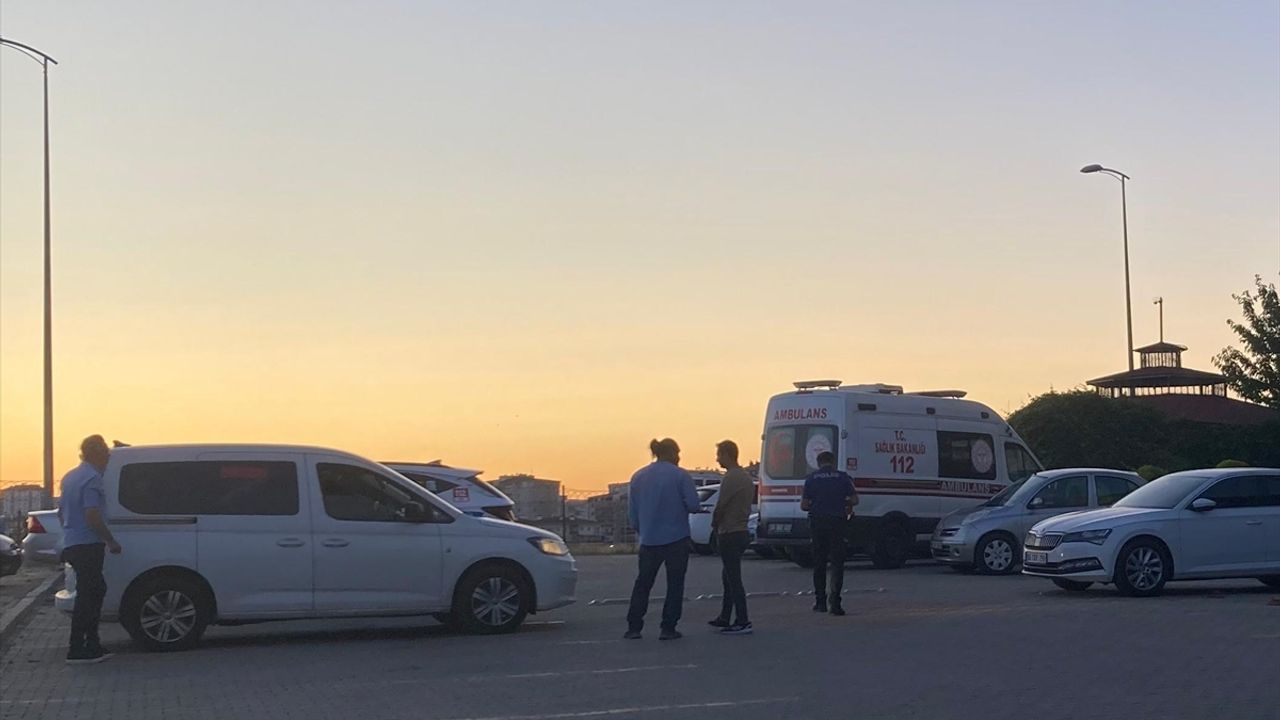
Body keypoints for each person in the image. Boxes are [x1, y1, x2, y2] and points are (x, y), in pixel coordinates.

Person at [624, 438, 700, 641]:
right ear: (672, 453)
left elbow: (633, 515)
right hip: (676, 538)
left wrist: (644, 530)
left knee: (643, 583)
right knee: (675, 585)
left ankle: (634, 627)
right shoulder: (680, 475)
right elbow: (693, 504)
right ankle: (668, 628)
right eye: (678, 453)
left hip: (648, 539)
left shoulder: (638, 476)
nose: (679, 457)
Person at [58, 434, 122, 664]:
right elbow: (92, 514)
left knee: (92, 591)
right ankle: (79, 648)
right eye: (106, 455)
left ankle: (91, 644)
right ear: (98, 455)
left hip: (72, 541)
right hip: (88, 544)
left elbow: (61, 512)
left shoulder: (70, 477)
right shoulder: (92, 479)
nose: (108, 459)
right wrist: (110, 541)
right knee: (89, 596)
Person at [802, 451, 857, 616]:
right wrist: (843, 502)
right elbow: (855, 500)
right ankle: (835, 603)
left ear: (818, 463)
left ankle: (820, 602)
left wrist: (817, 503)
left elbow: (804, 505)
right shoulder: (843, 477)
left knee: (819, 563)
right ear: (833, 462)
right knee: (837, 563)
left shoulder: (811, 479)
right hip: (838, 523)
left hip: (818, 524)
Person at [708, 440, 754, 635]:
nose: (717, 459)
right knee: (728, 576)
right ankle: (725, 616)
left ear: (727, 454)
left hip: (730, 531)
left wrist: (714, 523)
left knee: (733, 578)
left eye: (719, 455)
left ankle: (742, 620)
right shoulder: (745, 477)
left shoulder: (731, 478)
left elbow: (722, 505)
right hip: (741, 530)